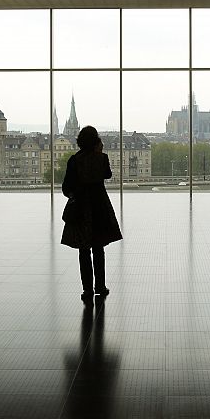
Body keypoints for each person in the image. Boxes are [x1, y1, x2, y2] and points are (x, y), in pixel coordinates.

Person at [61, 126, 122, 301]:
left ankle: (87, 289)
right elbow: (108, 175)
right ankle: (100, 286)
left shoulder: (74, 160)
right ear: (96, 141)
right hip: (99, 206)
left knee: (83, 250)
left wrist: (75, 194)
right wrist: (100, 152)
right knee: (98, 248)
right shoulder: (101, 158)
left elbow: (66, 188)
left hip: (81, 206)